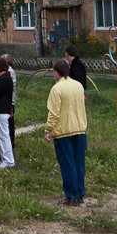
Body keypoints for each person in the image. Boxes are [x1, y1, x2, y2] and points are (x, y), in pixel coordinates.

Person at [45, 60, 88, 206]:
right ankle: (80, 192)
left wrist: (48, 129)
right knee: (79, 163)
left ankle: (72, 195)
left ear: (56, 72)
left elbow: (54, 112)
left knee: (67, 164)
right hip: (79, 128)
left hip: (63, 130)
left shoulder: (57, 88)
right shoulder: (78, 85)